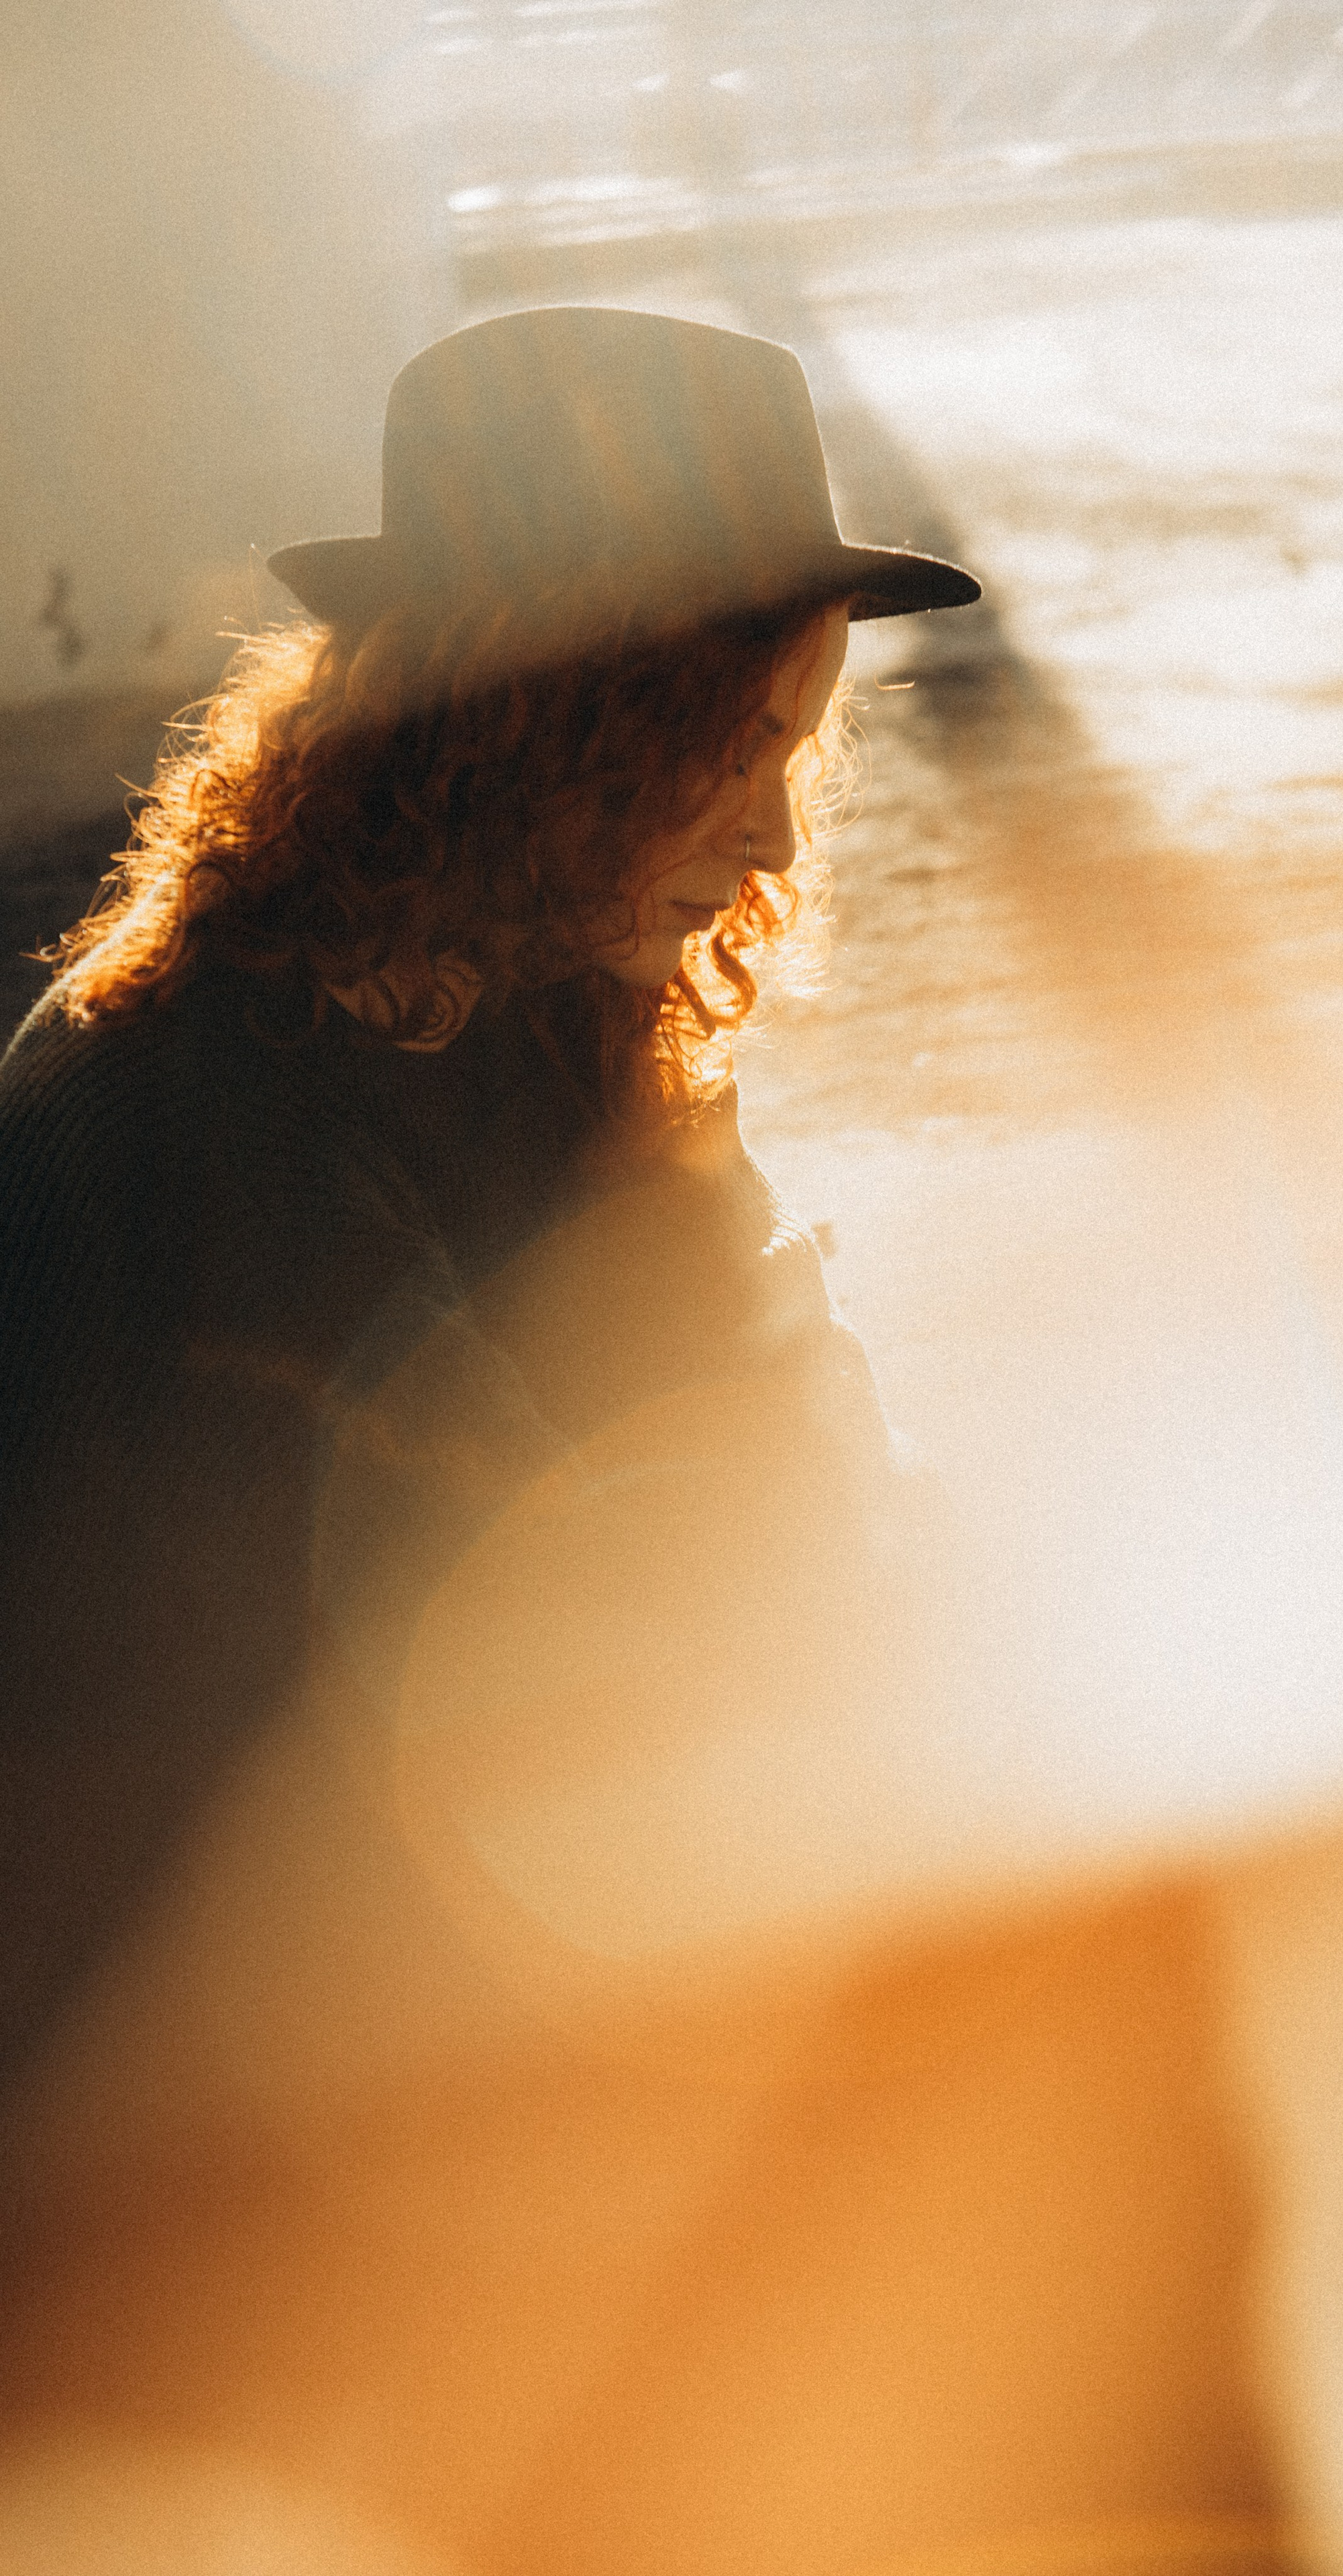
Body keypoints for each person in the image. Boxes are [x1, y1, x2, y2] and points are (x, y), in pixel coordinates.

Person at [0, 303, 980, 2086]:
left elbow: (769, 1427)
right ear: (549, 726)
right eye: (734, 748)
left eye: (794, 757)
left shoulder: (566, 1015)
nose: (775, 839)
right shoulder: (171, 1119)